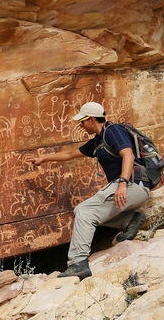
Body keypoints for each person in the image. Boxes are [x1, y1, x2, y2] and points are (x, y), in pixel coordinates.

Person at [26, 101, 150, 280]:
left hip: (132, 185)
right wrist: (43, 158)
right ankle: (131, 220)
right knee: (81, 211)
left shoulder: (113, 131)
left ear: (91, 119)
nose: (81, 126)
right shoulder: (98, 142)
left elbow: (128, 154)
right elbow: (69, 154)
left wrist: (123, 182)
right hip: (129, 187)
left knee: (85, 212)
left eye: (82, 122)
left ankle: (78, 263)